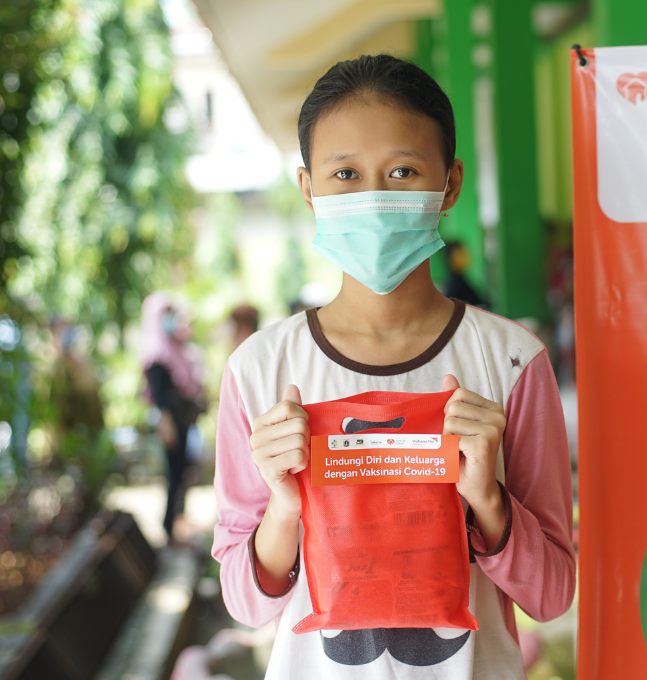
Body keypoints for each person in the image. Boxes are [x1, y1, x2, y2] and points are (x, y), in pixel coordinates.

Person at [211, 55, 575, 679]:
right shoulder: (259, 370)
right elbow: (245, 605)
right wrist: (284, 507)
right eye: (345, 173)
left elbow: (553, 595)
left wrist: (487, 500)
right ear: (308, 189)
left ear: (450, 184)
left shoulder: (512, 359)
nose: (373, 198)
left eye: (403, 171)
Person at [142, 293, 206, 543]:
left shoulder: (176, 349)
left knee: (183, 471)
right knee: (174, 474)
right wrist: (166, 424)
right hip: (171, 425)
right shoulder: (157, 355)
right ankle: (169, 527)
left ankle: (178, 522)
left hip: (183, 422)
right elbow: (159, 399)